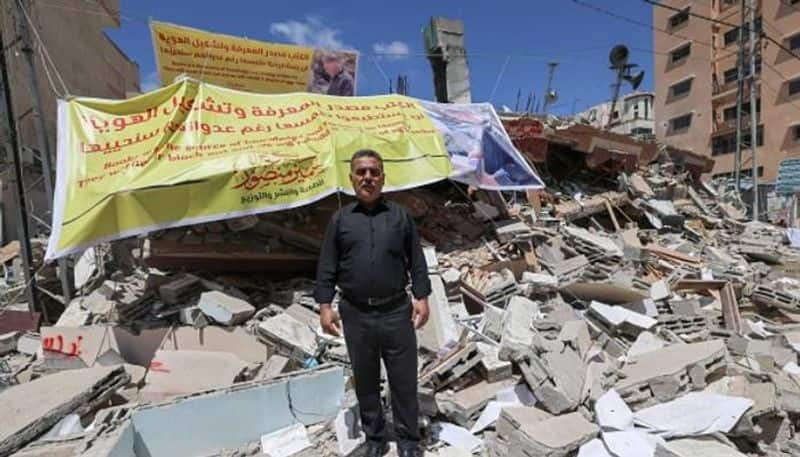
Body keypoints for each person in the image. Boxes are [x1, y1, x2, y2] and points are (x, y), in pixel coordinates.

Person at [314, 149, 430, 457]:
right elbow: (327, 266)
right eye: (361, 172)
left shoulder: (400, 216)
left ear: (383, 178)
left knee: (404, 381)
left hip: (395, 311)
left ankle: (408, 443)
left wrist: (422, 297)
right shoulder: (340, 220)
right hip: (356, 313)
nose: (368, 178)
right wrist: (325, 306)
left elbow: (416, 261)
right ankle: (375, 440)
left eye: (374, 172)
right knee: (365, 381)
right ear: (351, 178)